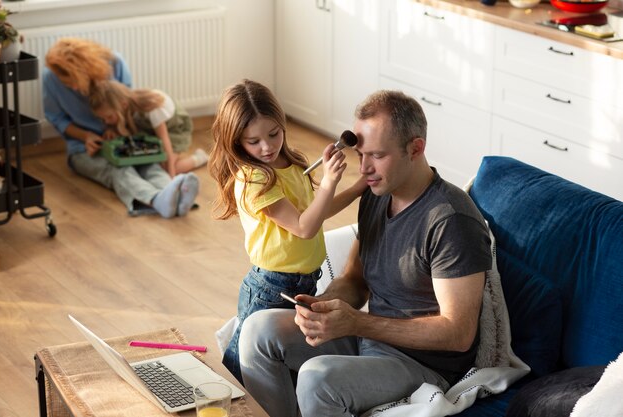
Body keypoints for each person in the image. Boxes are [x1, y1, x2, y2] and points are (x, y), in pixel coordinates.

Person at [238, 90, 493, 417]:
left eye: (376, 155)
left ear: (415, 148)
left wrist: (356, 321)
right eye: (361, 155)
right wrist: (325, 306)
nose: (364, 169)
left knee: (317, 380)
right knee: (258, 331)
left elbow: (458, 334)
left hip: (419, 363)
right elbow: (356, 280)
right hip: (365, 337)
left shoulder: (450, 221)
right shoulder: (377, 195)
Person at [208, 79, 367, 384]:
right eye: (253, 141)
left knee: (281, 358)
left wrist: (359, 187)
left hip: (302, 282)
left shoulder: (289, 163)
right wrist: (330, 181)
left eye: (273, 134)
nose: (267, 147)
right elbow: (305, 228)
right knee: (242, 367)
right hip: (271, 285)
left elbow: (317, 213)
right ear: (235, 140)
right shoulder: (254, 179)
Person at [43, 38, 199, 218]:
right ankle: (156, 199)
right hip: (84, 148)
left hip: (123, 140)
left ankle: (177, 196)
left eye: (75, 81)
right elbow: (57, 119)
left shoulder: (115, 63)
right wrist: (86, 136)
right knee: (118, 170)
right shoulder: (50, 78)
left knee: (148, 163)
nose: (75, 88)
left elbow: (125, 107)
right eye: (68, 85)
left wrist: (116, 130)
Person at [88, 80, 209, 178]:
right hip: (153, 132)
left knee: (166, 168)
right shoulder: (124, 106)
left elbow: (164, 140)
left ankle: (199, 158)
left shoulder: (152, 109)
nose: (107, 122)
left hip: (175, 130)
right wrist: (111, 129)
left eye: (109, 117)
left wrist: (170, 176)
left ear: (123, 105)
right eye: (103, 119)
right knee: (150, 164)